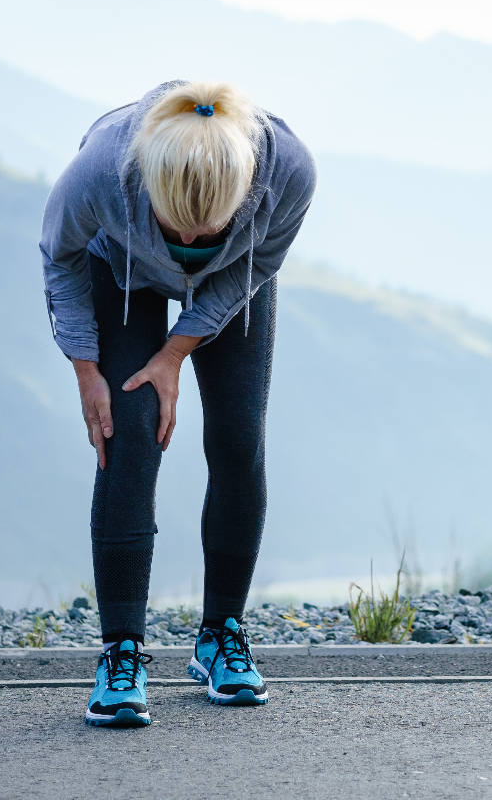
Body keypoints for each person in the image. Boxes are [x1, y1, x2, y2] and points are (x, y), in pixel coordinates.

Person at [40, 80, 316, 727]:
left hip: (236, 278)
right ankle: (121, 651)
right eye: (176, 229)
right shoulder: (101, 172)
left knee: (239, 436)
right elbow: (60, 258)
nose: (189, 242)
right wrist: (86, 367)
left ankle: (221, 633)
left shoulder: (288, 174)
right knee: (127, 428)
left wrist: (175, 352)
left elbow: (262, 265)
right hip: (122, 268)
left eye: (206, 232)